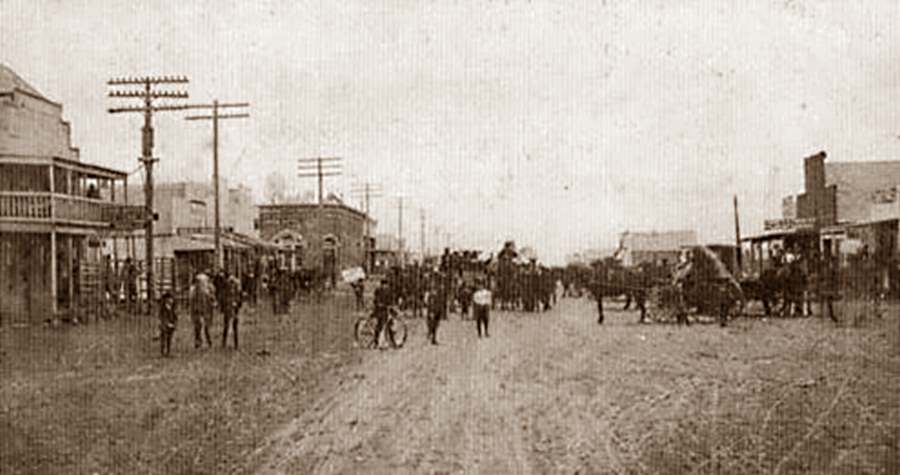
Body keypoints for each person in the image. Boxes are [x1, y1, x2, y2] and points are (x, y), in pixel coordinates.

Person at [189, 272, 215, 348]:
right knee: (198, 325)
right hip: (197, 309)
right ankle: (198, 341)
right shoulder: (194, 291)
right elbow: (192, 301)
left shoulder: (208, 290)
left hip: (206, 309)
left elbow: (212, 299)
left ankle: (208, 340)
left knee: (206, 325)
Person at [371, 279, 396, 349]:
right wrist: (379, 304)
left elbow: (390, 300)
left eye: (386, 285)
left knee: (390, 325)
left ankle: (393, 342)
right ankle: (376, 342)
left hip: (386, 310)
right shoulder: (378, 290)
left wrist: (391, 307)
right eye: (384, 285)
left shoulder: (388, 291)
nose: (385, 286)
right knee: (379, 326)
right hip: (380, 311)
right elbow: (376, 300)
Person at [222, 273, 242, 348]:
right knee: (229, 325)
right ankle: (229, 343)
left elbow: (239, 298)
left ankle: (232, 343)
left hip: (231, 307)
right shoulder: (235, 286)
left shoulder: (228, 286)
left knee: (232, 326)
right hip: (230, 307)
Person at [426, 277, 447, 345]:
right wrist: (431, 311)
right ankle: (432, 337)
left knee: (436, 325)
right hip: (433, 311)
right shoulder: (431, 295)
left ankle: (433, 337)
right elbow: (430, 304)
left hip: (437, 311)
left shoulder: (437, 294)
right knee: (433, 325)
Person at [158, 291, 177, 357]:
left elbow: (175, 316)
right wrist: (166, 323)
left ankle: (168, 351)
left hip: (171, 325)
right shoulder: (163, 308)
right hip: (164, 325)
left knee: (169, 338)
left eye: (171, 299)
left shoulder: (172, 308)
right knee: (164, 338)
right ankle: (163, 351)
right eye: (169, 299)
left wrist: (174, 323)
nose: (171, 300)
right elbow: (162, 317)